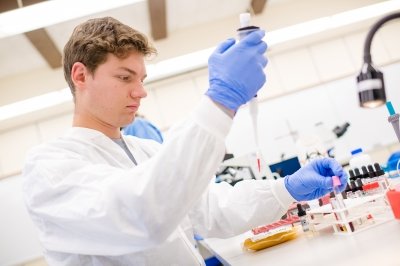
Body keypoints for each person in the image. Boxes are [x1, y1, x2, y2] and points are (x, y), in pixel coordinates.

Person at [22, 17, 347, 266]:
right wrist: (221, 100)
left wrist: (287, 188)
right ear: (81, 76)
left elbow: (214, 209)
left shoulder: (146, 151)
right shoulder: (49, 167)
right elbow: (143, 215)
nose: (140, 91)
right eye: (124, 77)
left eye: (141, 79)